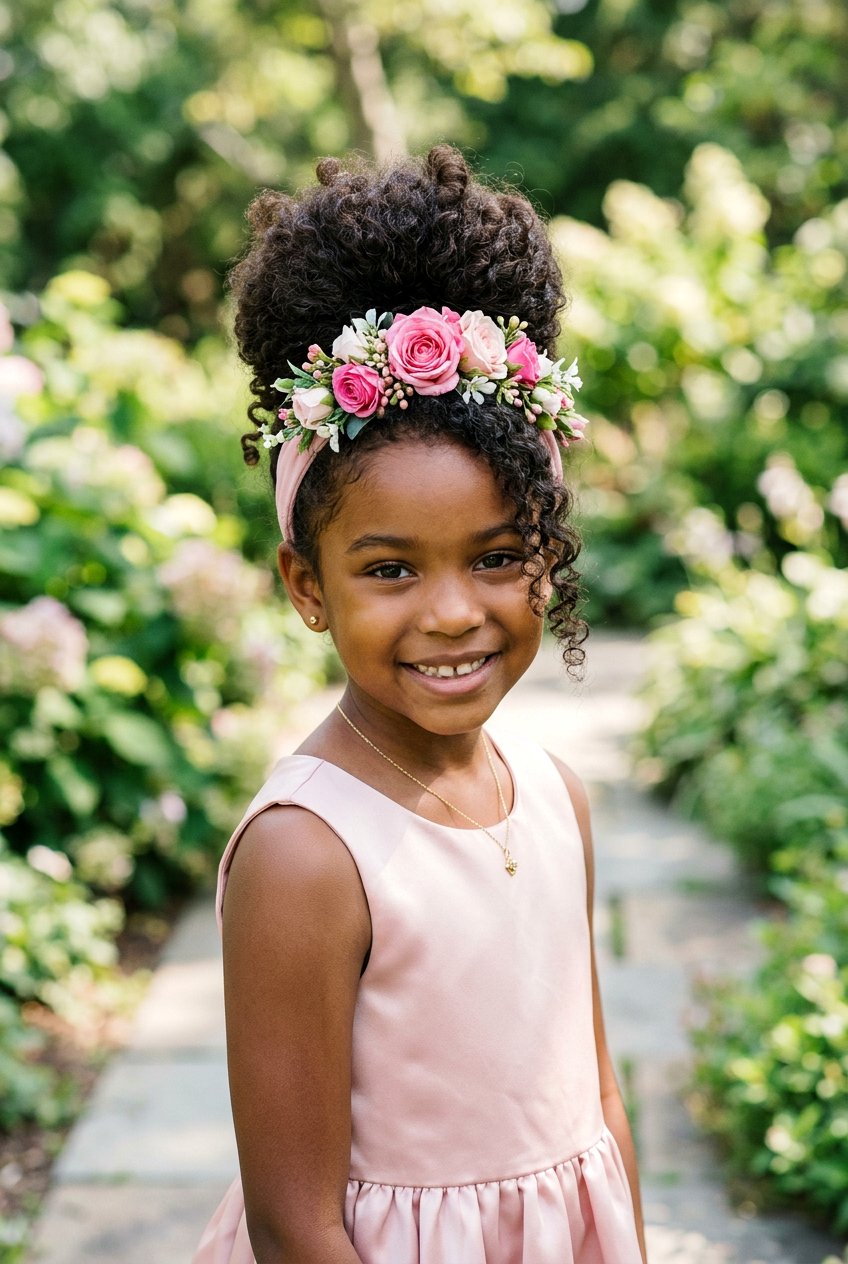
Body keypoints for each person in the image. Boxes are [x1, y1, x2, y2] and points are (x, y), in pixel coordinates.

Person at [192, 145, 648, 1264]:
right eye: (391, 569)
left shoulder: (555, 797)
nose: (452, 613)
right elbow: (294, 1226)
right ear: (308, 586)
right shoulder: (306, 855)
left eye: (497, 556)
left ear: (548, 555)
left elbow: (596, 1102)